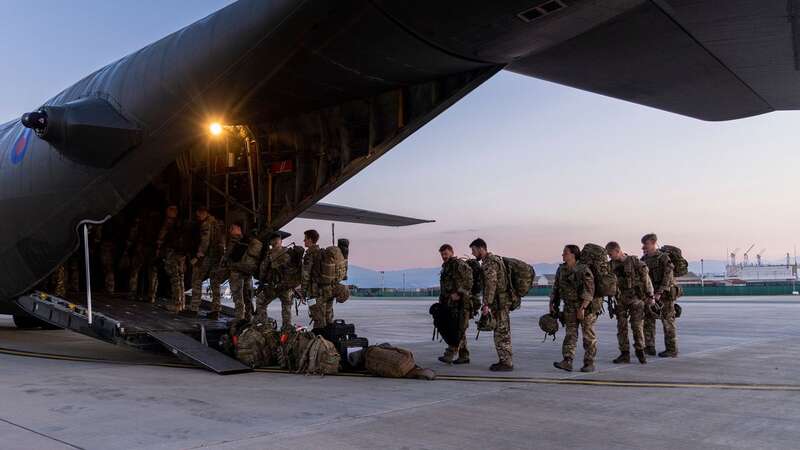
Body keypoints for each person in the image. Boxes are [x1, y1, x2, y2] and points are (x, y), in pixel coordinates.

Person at [550, 244, 597, 372]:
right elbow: (556, 288)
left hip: (585, 308)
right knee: (570, 334)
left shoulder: (583, 269)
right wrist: (553, 303)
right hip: (569, 307)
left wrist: (582, 308)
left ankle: (589, 362)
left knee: (588, 336)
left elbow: (589, 290)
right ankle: (567, 361)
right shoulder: (561, 270)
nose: (563, 255)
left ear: (573, 254)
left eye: (565, 252)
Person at [470, 238, 513, 372]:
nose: (473, 254)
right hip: (501, 302)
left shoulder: (490, 263)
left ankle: (506, 362)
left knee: (501, 332)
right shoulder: (494, 260)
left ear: (481, 249)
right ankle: (505, 360)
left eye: (474, 250)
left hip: (498, 303)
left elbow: (491, 284)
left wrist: (486, 304)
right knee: (502, 331)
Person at [607, 241, 653, 364]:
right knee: (621, 327)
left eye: (611, 254)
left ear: (617, 251)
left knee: (637, 326)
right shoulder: (610, 265)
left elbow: (646, 280)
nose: (609, 257)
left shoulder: (635, 262)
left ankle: (640, 351)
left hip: (636, 299)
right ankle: (624, 353)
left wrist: (650, 296)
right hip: (620, 300)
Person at [641, 233, 678, 357]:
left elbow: (668, 277)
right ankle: (649, 347)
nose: (643, 247)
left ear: (653, 243)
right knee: (648, 322)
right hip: (650, 295)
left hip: (664, 296)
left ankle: (672, 349)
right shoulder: (644, 260)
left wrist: (659, 293)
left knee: (667, 322)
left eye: (646, 244)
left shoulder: (663, 258)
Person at [437, 244, 474, 365]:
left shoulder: (459, 265)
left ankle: (449, 354)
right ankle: (464, 356)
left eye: (446, 254)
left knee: (457, 329)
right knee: (459, 329)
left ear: (452, 252)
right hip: (450, 303)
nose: (444, 256)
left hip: (461, 304)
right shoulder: (447, 267)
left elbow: (469, 281)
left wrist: (459, 293)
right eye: (442, 254)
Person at [255, 231, 295, 331]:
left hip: (273, 287)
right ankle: (287, 328)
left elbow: (263, 269)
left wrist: (261, 281)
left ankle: (265, 326)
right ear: (280, 241)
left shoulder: (270, 254)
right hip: (287, 287)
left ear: (272, 243)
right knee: (286, 307)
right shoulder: (288, 252)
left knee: (260, 302)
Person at [187, 207, 223, 317]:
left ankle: (194, 308)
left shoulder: (206, 224)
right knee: (215, 283)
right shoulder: (217, 223)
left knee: (196, 279)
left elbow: (205, 241)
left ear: (202, 212)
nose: (198, 218)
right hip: (217, 257)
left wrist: (199, 256)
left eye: (198, 215)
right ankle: (216, 310)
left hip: (207, 257)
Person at [302, 229, 335, 328]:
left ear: (310, 239)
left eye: (305, 239)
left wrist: (303, 292)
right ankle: (330, 340)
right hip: (328, 290)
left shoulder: (310, 255)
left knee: (318, 319)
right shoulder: (322, 253)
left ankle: (320, 341)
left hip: (315, 293)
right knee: (328, 317)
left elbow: (305, 275)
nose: (304, 241)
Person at [157, 205, 187, 312]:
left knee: (175, 279)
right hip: (181, 254)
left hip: (172, 252)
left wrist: (159, 247)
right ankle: (182, 304)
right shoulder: (182, 223)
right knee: (181, 278)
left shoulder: (169, 223)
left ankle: (177, 304)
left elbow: (161, 237)